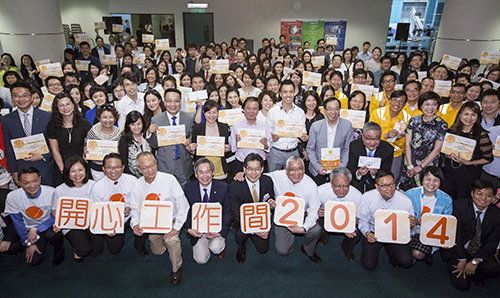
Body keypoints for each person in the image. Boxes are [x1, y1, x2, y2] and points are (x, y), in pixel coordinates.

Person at [130, 152, 189, 285]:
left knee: (171, 240)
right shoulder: (137, 185)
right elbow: (135, 209)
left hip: (171, 220)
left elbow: (183, 206)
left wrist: (176, 228)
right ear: (138, 169)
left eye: (152, 165)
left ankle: (176, 268)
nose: (150, 170)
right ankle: (164, 245)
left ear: (156, 163)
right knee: (157, 251)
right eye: (145, 167)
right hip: (151, 223)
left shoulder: (169, 179)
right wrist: (135, 224)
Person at [445, 179, 500, 290]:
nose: (483, 198)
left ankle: (475, 274)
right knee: (462, 285)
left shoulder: (497, 214)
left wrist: (475, 261)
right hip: (458, 249)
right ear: (472, 193)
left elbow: (492, 242)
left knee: (494, 269)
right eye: (479, 194)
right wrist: (462, 259)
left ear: (494, 197)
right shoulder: (459, 206)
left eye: (489, 195)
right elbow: (455, 235)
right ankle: (464, 269)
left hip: (479, 251)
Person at [266, 156, 322, 262]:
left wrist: (304, 228)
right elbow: (257, 176)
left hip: (302, 214)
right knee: (282, 251)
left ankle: (307, 249)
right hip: (282, 215)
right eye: (292, 169)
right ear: (286, 170)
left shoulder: (311, 185)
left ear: (304, 169)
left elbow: (314, 211)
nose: (297, 173)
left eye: (300, 169)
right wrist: (242, 174)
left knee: (316, 230)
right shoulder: (277, 175)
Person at [4, 167, 65, 266]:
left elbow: (56, 216)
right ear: (19, 183)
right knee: (31, 259)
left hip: (47, 226)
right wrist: (29, 244)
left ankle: (59, 248)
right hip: (26, 230)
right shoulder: (12, 197)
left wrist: (36, 228)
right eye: (26, 183)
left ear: (40, 179)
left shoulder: (52, 192)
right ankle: (37, 243)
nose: (32, 186)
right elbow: (17, 222)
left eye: (35, 181)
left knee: (53, 234)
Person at [358, 170, 415, 270]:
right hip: (374, 232)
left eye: (391, 184)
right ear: (376, 186)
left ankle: (391, 252)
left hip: (395, 234)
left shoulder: (405, 201)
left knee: (406, 262)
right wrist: (367, 233)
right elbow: (363, 220)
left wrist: (411, 225)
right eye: (384, 186)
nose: (389, 189)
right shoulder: (367, 197)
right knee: (368, 265)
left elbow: (410, 229)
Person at [2, 81, 54, 186]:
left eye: (24, 95)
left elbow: (54, 143)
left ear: (31, 97)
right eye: (16, 96)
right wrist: (14, 171)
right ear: (12, 98)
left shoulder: (47, 117)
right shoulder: (6, 120)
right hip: (22, 169)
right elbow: (8, 148)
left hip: (44, 166)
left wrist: (44, 155)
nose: (21, 99)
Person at [441, 102, 493, 201]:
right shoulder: (452, 130)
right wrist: (447, 154)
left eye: (473, 114)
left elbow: (488, 158)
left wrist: (468, 163)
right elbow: (444, 150)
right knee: (446, 200)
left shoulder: (482, 135)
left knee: (463, 203)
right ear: (460, 115)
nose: (469, 118)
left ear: (478, 117)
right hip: (449, 174)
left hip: (468, 176)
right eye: (466, 114)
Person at [230, 153, 275, 263]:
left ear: (262, 169)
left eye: (257, 169)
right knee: (240, 235)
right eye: (250, 169)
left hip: (261, 221)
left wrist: (272, 203)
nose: (254, 173)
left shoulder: (267, 181)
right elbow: (235, 214)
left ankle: (253, 236)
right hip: (243, 222)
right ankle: (242, 247)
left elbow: (271, 198)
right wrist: (254, 231)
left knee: (263, 250)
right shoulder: (235, 186)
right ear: (244, 169)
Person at [184, 158, 231, 264]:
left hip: (216, 230)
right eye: (201, 172)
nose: (205, 176)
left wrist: (220, 232)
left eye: (208, 171)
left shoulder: (223, 187)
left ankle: (219, 247)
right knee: (201, 260)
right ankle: (205, 245)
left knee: (215, 248)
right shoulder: (189, 188)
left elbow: (228, 212)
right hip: (198, 231)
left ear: (212, 173)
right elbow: (186, 211)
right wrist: (188, 229)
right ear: (196, 174)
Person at [398, 92, 448, 190]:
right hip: (410, 162)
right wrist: (409, 165)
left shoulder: (442, 125)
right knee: (406, 190)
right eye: (427, 104)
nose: (430, 107)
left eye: (434, 104)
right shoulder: (414, 120)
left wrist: (420, 167)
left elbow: (437, 150)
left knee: (424, 191)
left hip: (428, 165)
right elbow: (407, 144)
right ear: (421, 105)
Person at [89, 153, 136, 256]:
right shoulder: (97, 187)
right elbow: (95, 212)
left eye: (117, 167)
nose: (113, 171)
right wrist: (107, 227)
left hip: (129, 216)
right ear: (103, 169)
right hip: (109, 220)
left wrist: (130, 209)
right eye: (109, 167)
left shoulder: (132, 180)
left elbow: (137, 202)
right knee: (114, 249)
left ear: (123, 167)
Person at [405, 166, 452, 266]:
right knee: (402, 258)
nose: (431, 183)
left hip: (431, 233)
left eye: (436, 180)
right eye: (428, 179)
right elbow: (402, 216)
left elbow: (447, 224)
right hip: (411, 229)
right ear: (422, 180)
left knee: (418, 254)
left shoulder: (446, 200)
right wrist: (412, 222)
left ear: (440, 182)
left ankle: (427, 252)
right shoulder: (410, 194)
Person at [147, 88, 193, 188]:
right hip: (164, 165)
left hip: (183, 166)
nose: (173, 105)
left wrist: (190, 144)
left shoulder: (189, 118)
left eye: (176, 101)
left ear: (180, 102)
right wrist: (149, 132)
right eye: (169, 101)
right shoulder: (156, 119)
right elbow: (154, 145)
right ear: (164, 102)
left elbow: (192, 141)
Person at [52, 156, 95, 261]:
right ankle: (78, 247)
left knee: (97, 250)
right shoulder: (60, 189)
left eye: (80, 170)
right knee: (84, 250)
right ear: (67, 173)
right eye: (73, 171)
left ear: (86, 170)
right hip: (71, 224)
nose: (77, 174)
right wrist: (59, 222)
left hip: (91, 222)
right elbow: (54, 210)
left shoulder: (94, 185)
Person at [317, 167, 363, 261]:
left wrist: (347, 226)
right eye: (338, 186)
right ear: (331, 184)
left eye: (346, 186)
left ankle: (347, 247)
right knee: (314, 224)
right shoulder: (320, 191)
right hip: (326, 218)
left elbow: (359, 219)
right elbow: (309, 208)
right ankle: (324, 235)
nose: (342, 190)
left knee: (356, 233)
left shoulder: (358, 196)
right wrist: (316, 211)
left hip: (349, 220)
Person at [306, 97, 354, 185]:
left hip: (339, 170)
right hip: (318, 170)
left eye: (336, 109)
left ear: (340, 110)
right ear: (324, 110)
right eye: (329, 109)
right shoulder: (316, 126)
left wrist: (341, 167)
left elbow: (348, 148)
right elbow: (310, 149)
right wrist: (318, 167)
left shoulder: (347, 125)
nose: (333, 112)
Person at [48, 93, 92, 184]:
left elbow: (87, 147)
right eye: (61, 105)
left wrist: (80, 168)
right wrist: (63, 170)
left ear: (73, 105)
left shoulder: (84, 124)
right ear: (57, 108)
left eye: (68, 104)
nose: (65, 108)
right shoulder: (52, 125)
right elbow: (55, 150)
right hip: (61, 167)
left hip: (81, 168)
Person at [266, 80, 307, 171]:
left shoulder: (300, 112)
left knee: (293, 182)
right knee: (273, 181)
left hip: (293, 152)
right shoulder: (273, 111)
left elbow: (302, 131)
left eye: (291, 92)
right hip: (276, 152)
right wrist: (271, 137)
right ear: (280, 93)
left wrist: (303, 137)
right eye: (285, 92)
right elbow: (267, 133)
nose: (288, 95)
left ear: (294, 93)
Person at [370, 90, 410, 179]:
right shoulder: (377, 113)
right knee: (374, 179)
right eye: (395, 100)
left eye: (401, 101)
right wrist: (386, 135)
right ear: (390, 100)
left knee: (391, 180)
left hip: (395, 154)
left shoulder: (408, 117)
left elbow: (407, 142)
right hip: (376, 151)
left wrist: (399, 138)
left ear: (405, 104)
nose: (397, 104)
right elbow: (370, 134)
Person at [189, 100, 231, 180]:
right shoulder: (198, 128)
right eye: (208, 112)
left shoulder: (224, 127)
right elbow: (194, 151)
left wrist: (227, 149)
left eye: (214, 112)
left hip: (219, 168)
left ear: (218, 113)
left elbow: (226, 148)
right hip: (203, 169)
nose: (211, 115)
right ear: (204, 113)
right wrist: (191, 149)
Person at [347, 122, 394, 193]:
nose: (372, 143)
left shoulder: (387, 149)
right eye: (369, 138)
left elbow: (386, 172)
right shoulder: (354, 146)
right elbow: (351, 167)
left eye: (376, 139)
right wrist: (358, 173)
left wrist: (376, 174)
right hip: (356, 185)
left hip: (377, 188)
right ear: (362, 137)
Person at [230, 97, 272, 175]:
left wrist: (265, 144)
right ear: (243, 109)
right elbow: (232, 149)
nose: (251, 111)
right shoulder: (236, 125)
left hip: (259, 164)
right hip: (241, 162)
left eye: (255, 109)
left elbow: (269, 148)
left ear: (258, 110)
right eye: (248, 108)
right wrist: (236, 142)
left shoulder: (265, 125)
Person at [86, 105, 122, 180]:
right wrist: (86, 151)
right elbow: (88, 148)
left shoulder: (120, 133)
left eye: (111, 117)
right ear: (99, 118)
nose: (108, 120)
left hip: (114, 169)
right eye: (104, 117)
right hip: (97, 168)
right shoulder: (93, 131)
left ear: (115, 118)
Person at [118, 111, 151, 177]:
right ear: (128, 125)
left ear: (143, 123)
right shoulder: (124, 140)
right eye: (133, 124)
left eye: (139, 124)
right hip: (132, 176)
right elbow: (124, 163)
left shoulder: (147, 136)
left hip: (150, 173)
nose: (136, 127)